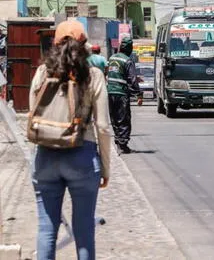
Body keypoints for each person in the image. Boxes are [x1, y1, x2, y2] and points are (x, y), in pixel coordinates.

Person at [28, 20, 111, 260]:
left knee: (46, 229)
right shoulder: (92, 75)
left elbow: (34, 113)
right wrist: (105, 167)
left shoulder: (42, 72)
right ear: (84, 45)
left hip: (45, 156)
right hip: (82, 156)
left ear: (54, 44)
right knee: (84, 230)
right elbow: (103, 127)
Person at [107, 36, 141, 154]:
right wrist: (138, 94)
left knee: (114, 118)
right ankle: (123, 144)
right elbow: (132, 79)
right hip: (121, 94)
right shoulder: (127, 60)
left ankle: (118, 140)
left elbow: (115, 73)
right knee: (124, 119)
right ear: (129, 48)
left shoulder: (112, 58)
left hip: (110, 92)